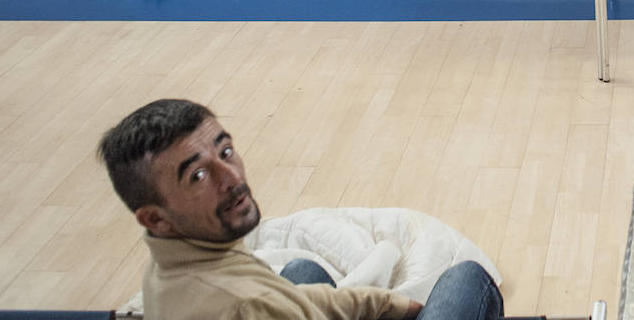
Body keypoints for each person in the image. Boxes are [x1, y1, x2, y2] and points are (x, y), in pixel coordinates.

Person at [99, 98, 504, 320]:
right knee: (466, 279)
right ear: (155, 218)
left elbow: (301, 303)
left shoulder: (167, 265)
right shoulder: (248, 305)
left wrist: (386, 303)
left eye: (225, 151)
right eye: (198, 176)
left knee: (302, 274)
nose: (231, 177)